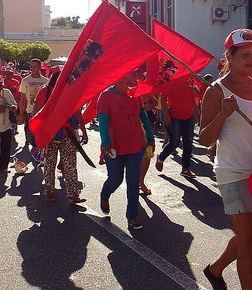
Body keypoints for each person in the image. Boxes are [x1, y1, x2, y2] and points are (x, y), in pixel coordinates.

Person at [199, 28, 252, 290]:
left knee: (250, 237)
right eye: (245, 54)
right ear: (229, 56)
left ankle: (216, 268)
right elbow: (204, 139)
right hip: (234, 173)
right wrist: (222, 115)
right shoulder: (216, 91)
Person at [98, 71, 155, 230]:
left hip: (135, 145)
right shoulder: (105, 96)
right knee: (115, 179)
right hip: (114, 146)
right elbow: (103, 121)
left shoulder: (135, 95)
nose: (123, 76)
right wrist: (106, 142)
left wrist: (150, 137)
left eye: (127, 73)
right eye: (120, 73)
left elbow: (143, 116)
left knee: (133, 181)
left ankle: (132, 216)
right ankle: (105, 194)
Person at [33, 69, 88, 203]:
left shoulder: (71, 92)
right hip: (49, 134)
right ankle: (49, 192)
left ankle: (73, 195)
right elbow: (36, 112)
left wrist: (84, 130)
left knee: (70, 165)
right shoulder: (44, 91)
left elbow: (78, 112)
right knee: (49, 164)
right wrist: (37, 133)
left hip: (67, 134)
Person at [155, 77, 199, 178]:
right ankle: (161, 158)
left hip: (188, 117)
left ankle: (185, 169)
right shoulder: (171, 80)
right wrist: (166, 115)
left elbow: (192, 98)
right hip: (175, 117)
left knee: (188, 144)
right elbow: (162, 98)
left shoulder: (190, 81)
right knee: (174, 143)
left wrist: (196, 112)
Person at [18, 59, 48, 152]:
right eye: (31, 66)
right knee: (29, 132)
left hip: (42, 111)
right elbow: (22, 98)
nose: (32, 68)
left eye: (35, 66)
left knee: (39, 132)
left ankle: (37, 149)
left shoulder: (45, 80)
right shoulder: (25, 80)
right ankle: (30, 142)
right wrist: (21, 113)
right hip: (30, 110)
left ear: (39, 67)